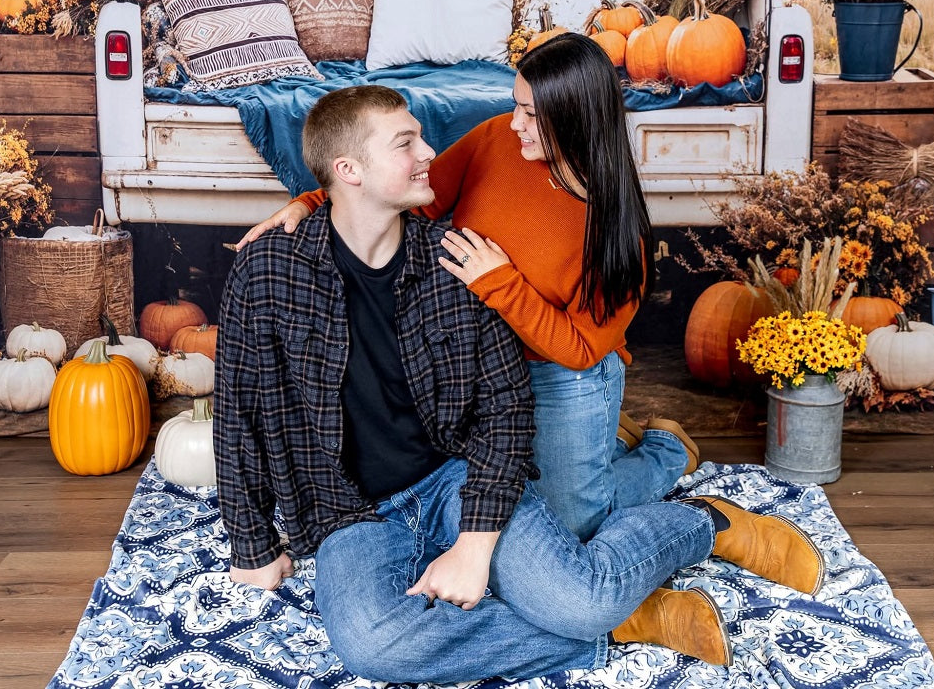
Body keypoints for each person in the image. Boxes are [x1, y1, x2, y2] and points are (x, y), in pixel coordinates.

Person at [215, 83, 826, 684]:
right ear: (348, 170)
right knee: (374, 646)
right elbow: (239, 411)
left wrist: (475, 544)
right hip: (349, 511)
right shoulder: (268, 270)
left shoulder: (460, 264)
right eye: (406, 143)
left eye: (422, 137)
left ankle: (703, 524)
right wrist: (252, 546)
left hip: (456, 480)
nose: (429, 152)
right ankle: (621, 623)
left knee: (578, 594)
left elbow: (506, 411)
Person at [238, 33, 694, 540]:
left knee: (571, 527)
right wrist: (310, 202)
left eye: (530, 114)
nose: (514, 122)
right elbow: (412, 196)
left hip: (560, 374)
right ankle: (600, 445)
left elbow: (580, 349)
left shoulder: (616, 231)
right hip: (478, 365)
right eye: (515, 105)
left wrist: (499, 282)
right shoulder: (497, 138)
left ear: (575, 116)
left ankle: (663, 451)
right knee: (501, 509)